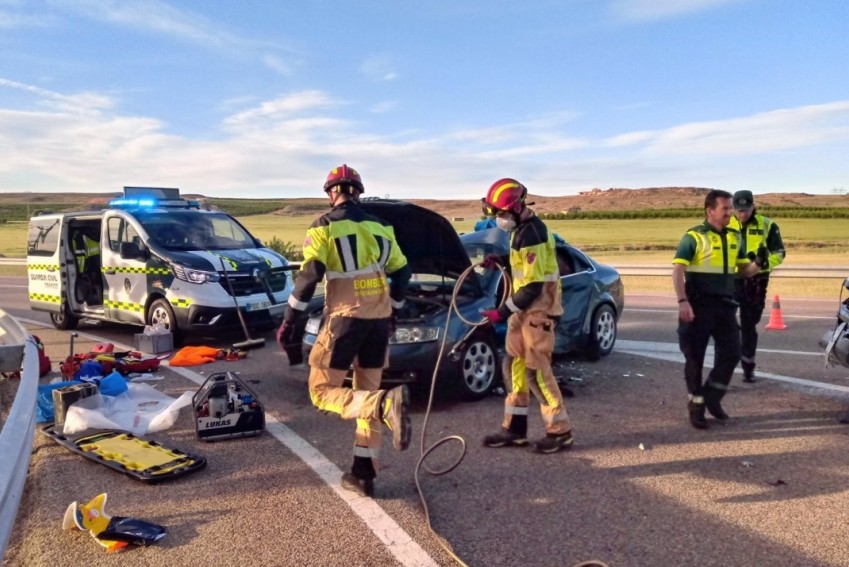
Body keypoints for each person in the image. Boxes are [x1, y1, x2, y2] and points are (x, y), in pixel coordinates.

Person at [276, 164, 413, 497]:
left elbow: (309, 276)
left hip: (345, 319)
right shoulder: (383, 227)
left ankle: (383, 405)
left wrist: (289, 320)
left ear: (331, 193)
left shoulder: (324, 226)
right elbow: (403, 272)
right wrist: (392, 310)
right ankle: (364, 475)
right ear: (358, 192)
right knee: (364, 393)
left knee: (322, 391)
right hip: (378, 322)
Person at [479, 178, 573, 453]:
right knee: (513, 368)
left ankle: (560, 431)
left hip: (537, 312)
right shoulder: (519, 232)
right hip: (522, 312)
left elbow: (532, 286)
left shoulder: (533, 233)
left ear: (518, 207)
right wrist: (501, 262)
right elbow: (524, 268)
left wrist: (500, 312)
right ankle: (515, 429)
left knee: (537, 375)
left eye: (502, 213)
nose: (500, 219)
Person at [672, 189, 763, 429]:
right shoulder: (694, 236)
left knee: (732, 353)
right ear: (710, 210)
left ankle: (711, 398)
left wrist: (759, 263)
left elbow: (743, 271)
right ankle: (696, 407)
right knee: (695, 358)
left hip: (724, 306)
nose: (730, 213)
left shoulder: (735, 237)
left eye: (731, 208)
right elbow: (678, 270)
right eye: (726, 209)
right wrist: (683, 301)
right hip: (698, 306)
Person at [729, 190, 786, 382]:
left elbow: (779, 252)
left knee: (749, 324)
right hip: (732, 279)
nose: (742, 214)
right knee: (724, 323)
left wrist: (762, 263)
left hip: (756, 281)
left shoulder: (767, 224)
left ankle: (748, 366)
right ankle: (728, 364)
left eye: (745, 210)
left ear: (753, 206)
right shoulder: (726, 223)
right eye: (738, 210)